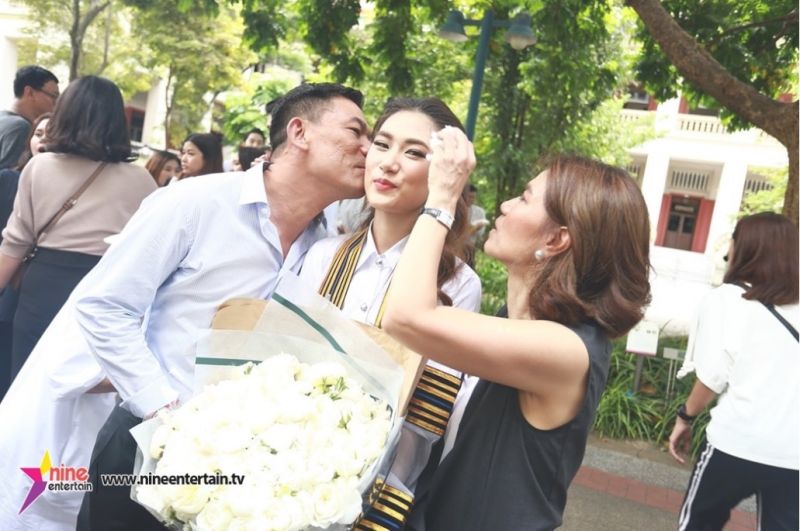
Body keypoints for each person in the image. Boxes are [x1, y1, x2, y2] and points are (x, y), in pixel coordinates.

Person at [0, 82, 370, 531]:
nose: (368, 149)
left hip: (242, 476)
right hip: (145, 443)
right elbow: (104, 307)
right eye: (356, 132)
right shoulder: (196, 203)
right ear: (299, 132)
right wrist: (165, 411)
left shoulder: (327, 249)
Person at [381, 138, 652, 529]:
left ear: (556, 240)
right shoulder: (516, 320)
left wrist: (441, 199)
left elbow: (406, 318)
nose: (506, 206)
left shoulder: (567, 349)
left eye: (524, 198)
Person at [299, 97, 481, 527]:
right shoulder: (324, 256)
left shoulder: (456, 284)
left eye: (414, 152)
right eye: (382, 144)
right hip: (298, 469)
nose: (389, 163)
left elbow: (430, 414)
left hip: (380, 492)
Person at [0, 75, 156, 382]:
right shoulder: (142, 181)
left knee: (30, 387)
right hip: (107, 295)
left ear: (65, 112)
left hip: (43, 290)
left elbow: (15, 244)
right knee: (86, 392)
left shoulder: (40, 166)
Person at [668, 212, 798, 531]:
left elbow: (712, 377)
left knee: (698, 525)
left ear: (744, 248)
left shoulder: (726, 300)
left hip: (735, 443)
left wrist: (685, 417)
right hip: (793, 454)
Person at [0, 112, 51, 400]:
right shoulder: (9, 179)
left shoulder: (62, 188)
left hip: (36, 287)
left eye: (51, 134)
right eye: (38, 133)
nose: (43, 140)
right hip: (8, 280)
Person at [0, 66, 59, 169]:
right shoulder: (20, 127)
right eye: (53, 96)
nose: (56, 103)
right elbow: (9, 175)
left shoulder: (3, 119)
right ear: (29, 92)